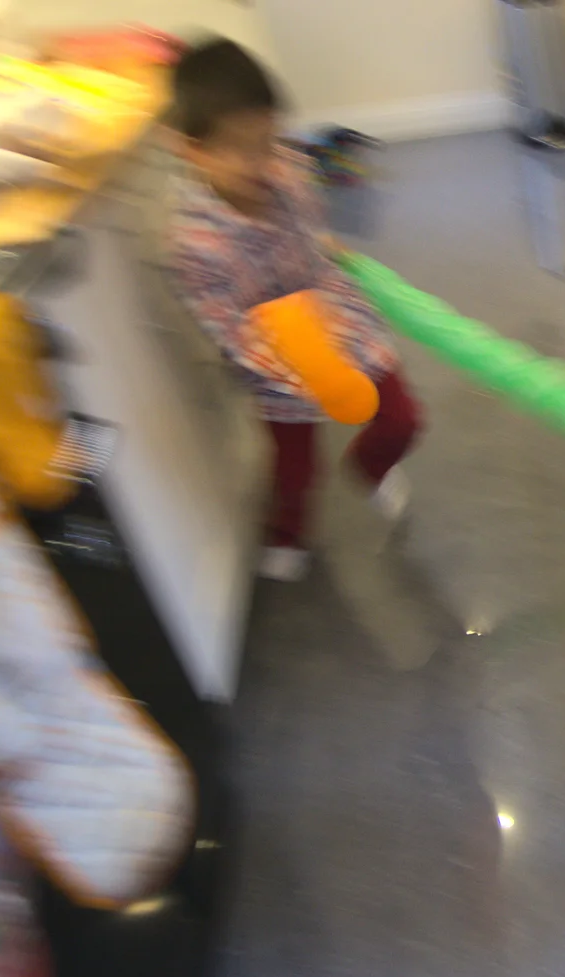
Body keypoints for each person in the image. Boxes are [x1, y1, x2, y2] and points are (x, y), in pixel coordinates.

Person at [164, 38, 423, 583]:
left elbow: (310, 230)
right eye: (240, 149)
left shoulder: (289, 168)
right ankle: (288, 533)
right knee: (294, 467)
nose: (262, 162)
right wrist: (298, 360)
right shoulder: (193, 244)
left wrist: (327, 249)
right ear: (193, 150)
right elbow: (228, 329)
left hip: (336, 312)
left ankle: (371, 466)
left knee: (402, 416)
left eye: (268, 141)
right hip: (275, 358)